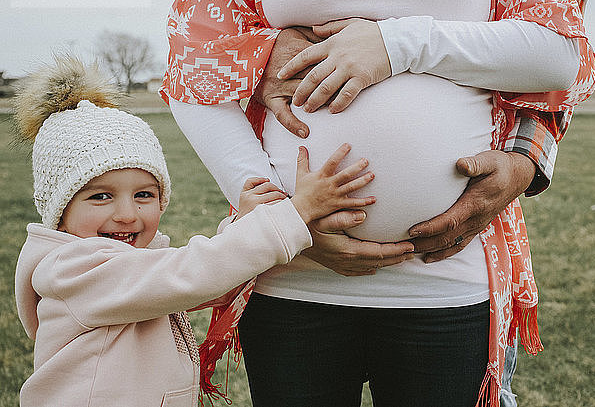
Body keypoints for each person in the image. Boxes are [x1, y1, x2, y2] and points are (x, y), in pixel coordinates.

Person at [161, 0, 595, 406]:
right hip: (293, 274)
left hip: (446, 279)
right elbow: (191, 65)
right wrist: (275, 216)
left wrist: (398, 43)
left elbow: (557, 55)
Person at [13, 57, 380, 407]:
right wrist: (296, 213)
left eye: (144, 195)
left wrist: (241, 227)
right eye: (101, 196)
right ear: (60, 212)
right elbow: (189, 275)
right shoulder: (73, 270)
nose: (126, 214)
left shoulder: (131, 264)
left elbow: (201, 280)